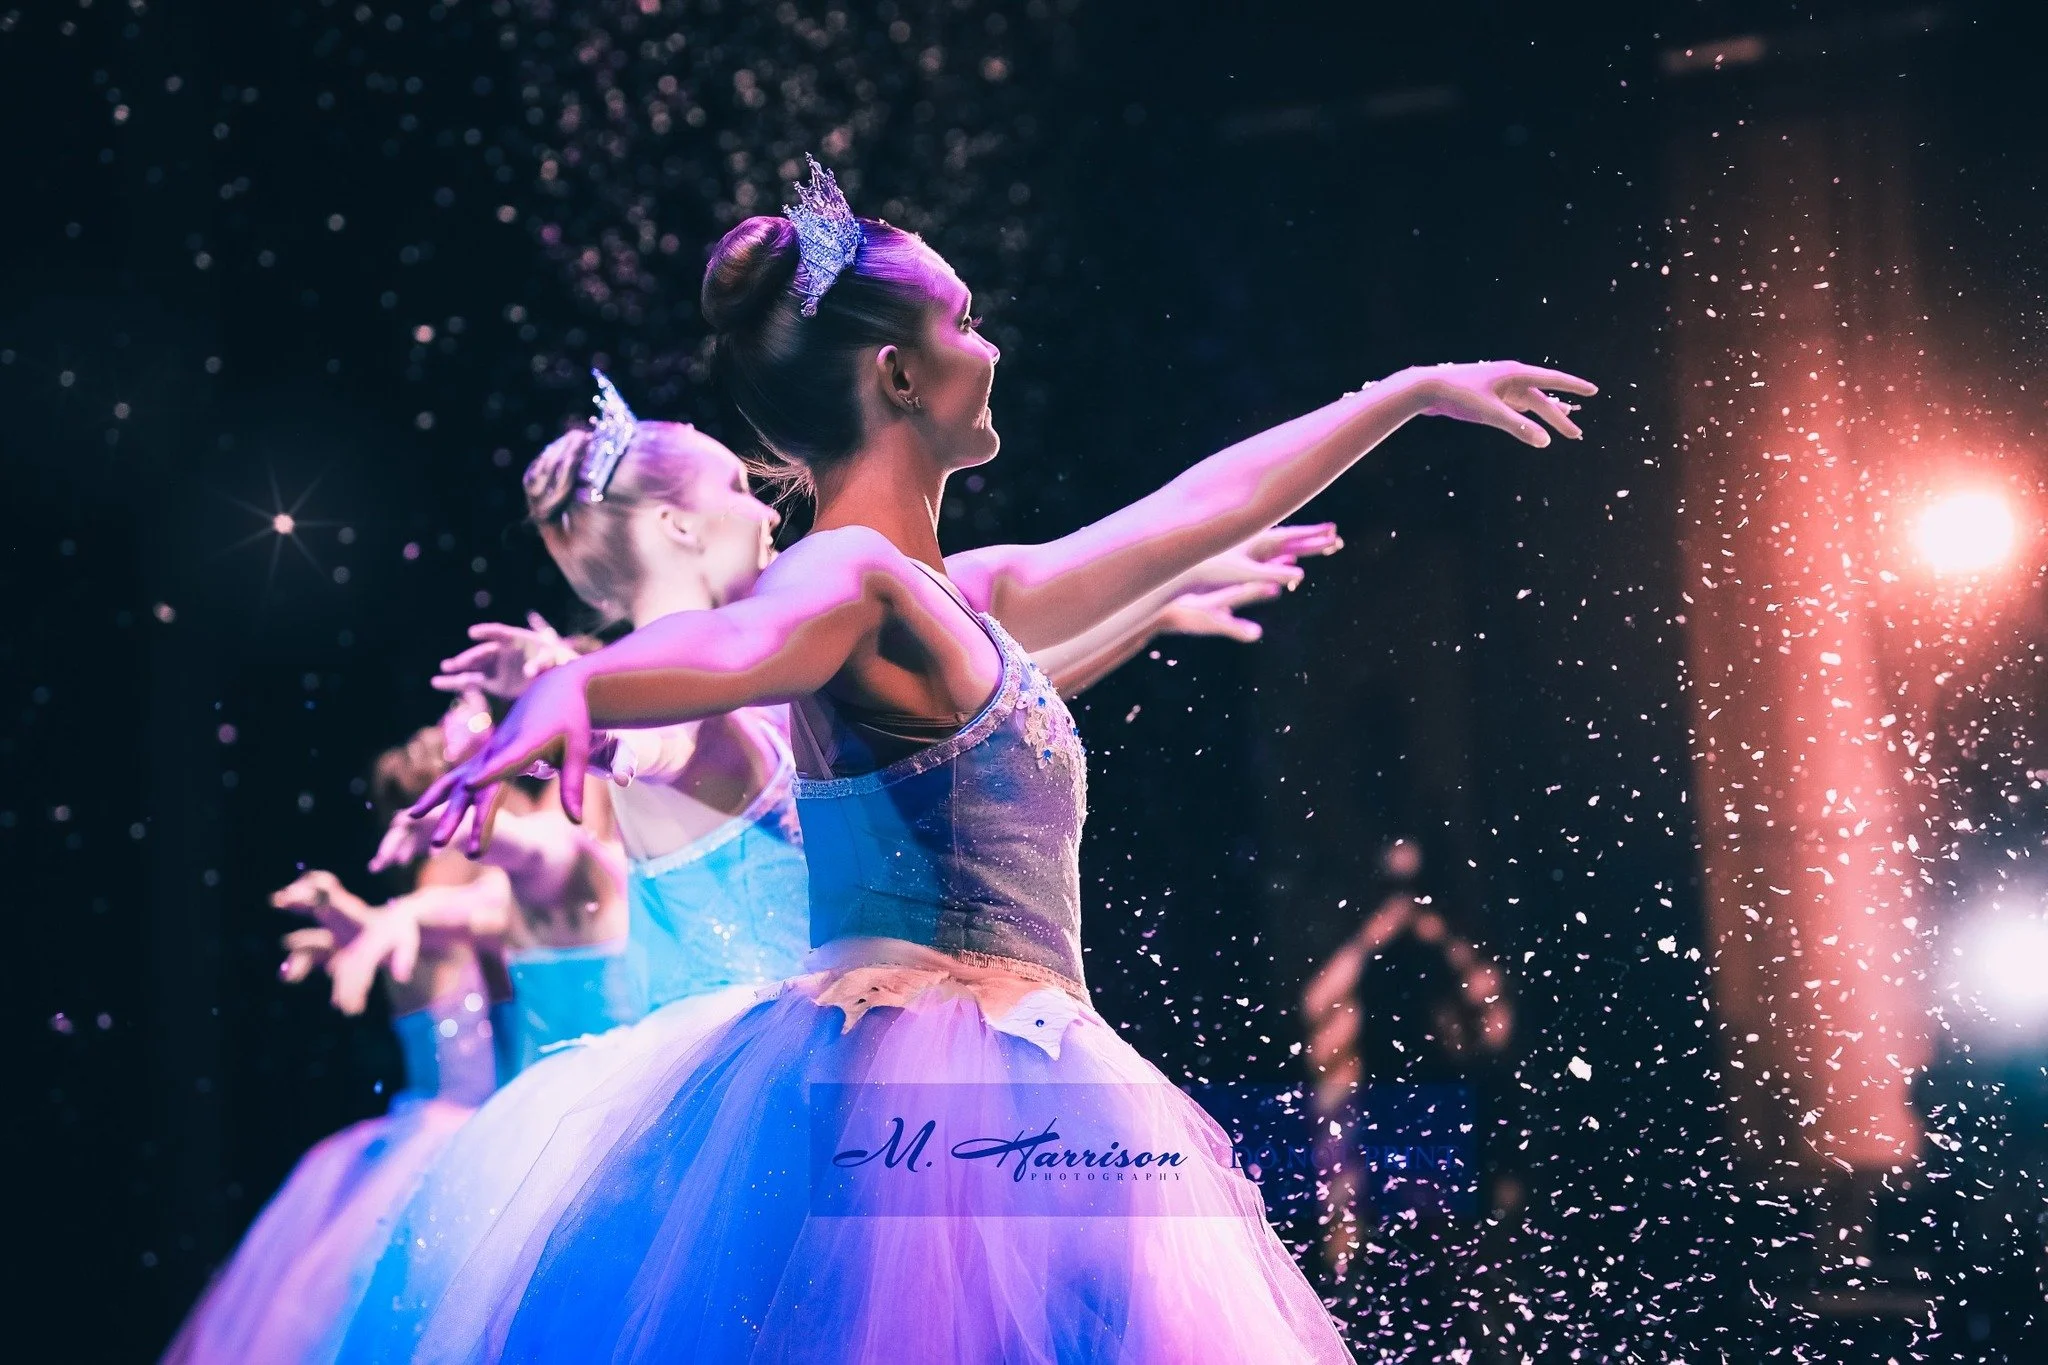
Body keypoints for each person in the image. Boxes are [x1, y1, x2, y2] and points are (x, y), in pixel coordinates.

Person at [403, 157, 1589, 1363]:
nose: (991, 348)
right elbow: (738, 641)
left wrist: (1403, 394)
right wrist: (582, 681)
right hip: (935, 1095)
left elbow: (1184, 513)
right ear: (899, 375)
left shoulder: (955, 592)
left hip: (995, 1079)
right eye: (963, 322)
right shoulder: (844, 572)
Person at [338, 374, 1328, 1363]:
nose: (764, 505)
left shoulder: (779, 664)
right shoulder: (700, 683)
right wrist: (598, 722)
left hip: (839, 1071)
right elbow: (668, 748)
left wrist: (1151, 605)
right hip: (790, 1098)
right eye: (735, 486)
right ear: (678, 529)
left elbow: (970, 725)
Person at [162, 720, 514, 1365]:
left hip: (453, 1133)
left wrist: (343, 927)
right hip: (461, 1147)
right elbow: (428, 925)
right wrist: (344, 916)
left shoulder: (450, 892)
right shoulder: (446, 896)